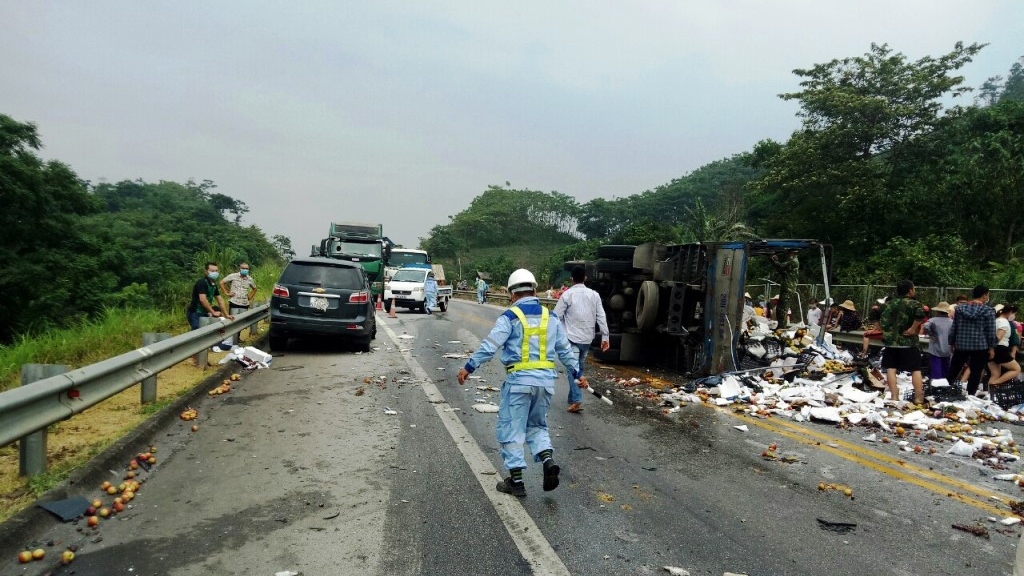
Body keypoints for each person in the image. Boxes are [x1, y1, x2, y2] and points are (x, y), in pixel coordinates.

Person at [457, 269, 587, 497]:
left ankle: (516, 482)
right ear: (535, 291)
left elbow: (490, 345)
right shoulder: (551, 317)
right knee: (537, 426)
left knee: (512, 429)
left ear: (511, 293)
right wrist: (578, 374)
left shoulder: (510, 316)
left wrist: (469, 367)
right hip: (545, 383)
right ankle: (547, 461)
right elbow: (565, 352)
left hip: (519, 382)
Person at [554, 266, 610, 413]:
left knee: (573, 369)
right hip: (587, 340)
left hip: (571, 338)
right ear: (585, 277)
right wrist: (605, 336)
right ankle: (572, 398)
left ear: (571, 279)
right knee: (577, 368)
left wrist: (557, 334)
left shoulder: (567, 295)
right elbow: (601, 316)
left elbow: (556, 317)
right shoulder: (594, 295)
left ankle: (577, 400)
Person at [880, 280, 926, 405]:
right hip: (909, 342)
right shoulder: (914, 303)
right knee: (915, 369)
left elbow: (882, 320)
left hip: (891, 342)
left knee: (891, 368)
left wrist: (889, 332)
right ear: (910, 290)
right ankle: (918, 397)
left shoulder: (889, 304)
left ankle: (894, 396)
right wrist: (912, 328)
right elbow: (921, 315)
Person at [948, 285, 997, 397]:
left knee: (954, 369)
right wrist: (992, 347)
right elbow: (990, 331)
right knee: (975, 372)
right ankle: (970, 395)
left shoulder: (960, 309)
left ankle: (945, 389)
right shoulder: (988, 311)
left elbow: (954, 327)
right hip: (980, 346)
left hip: (961, 345)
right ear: (984, 295)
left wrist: (951, 342)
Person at [218, 262, 258, 344]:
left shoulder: (249, 279)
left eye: (246, 269)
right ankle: (230, 340)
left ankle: (237, 338)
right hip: (234, 302)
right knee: (232, 321)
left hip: (244, 303)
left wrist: (249, 297)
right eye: (243, 268)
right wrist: (226, 293)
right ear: (240, 269)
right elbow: (221, 282)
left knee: (241, 323)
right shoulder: (233, 276)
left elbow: (254, 289)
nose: (245, 270)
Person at [187, 262, 233, 330]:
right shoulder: (202, 282)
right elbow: (203, 299)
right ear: (206, 271)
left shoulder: (213, 285)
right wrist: (213, 312)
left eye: (216, 271)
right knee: (197, 332)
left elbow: (220, 300)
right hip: (196, 312)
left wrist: (226, 315)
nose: (215, 272)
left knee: (205, 331)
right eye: (212, 271)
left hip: (205, 312)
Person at [988, 304, 1020, 387]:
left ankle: (989, 392)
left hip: (991, 348)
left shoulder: (996, 320)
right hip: (1000, 348)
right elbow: (998, 337)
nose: (1013, 316)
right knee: (1017, 369)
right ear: (1009, 312)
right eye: (1013, 313)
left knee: (995, 374)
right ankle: (994, 384)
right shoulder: (1004, 322)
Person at [923, 302, 953, 381]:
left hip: (935, 348)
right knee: (946, 368)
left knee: (936, 367)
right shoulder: (952, 322)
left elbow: (926, 326)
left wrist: (931, 334)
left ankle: (935, 385)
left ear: (938, 311)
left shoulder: (933, 320)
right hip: (948, 348)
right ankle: (945, 384)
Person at [771, 251, 798, 326]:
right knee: (779, 309)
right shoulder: (790, 264)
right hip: (786, 287)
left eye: (790, 253)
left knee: (783, 310)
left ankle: (782, 327)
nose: (788, 255)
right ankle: (780, 326)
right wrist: (774, 261)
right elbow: (781, 270)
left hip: (788, 288)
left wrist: (774, 261)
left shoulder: (794, 262)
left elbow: (781, 266)